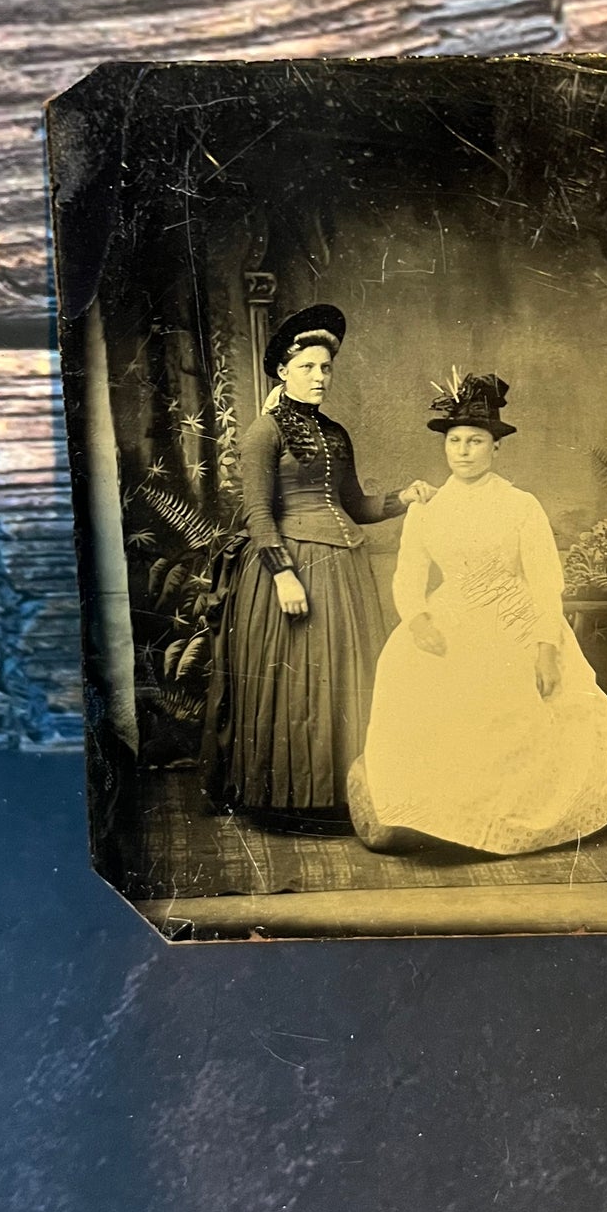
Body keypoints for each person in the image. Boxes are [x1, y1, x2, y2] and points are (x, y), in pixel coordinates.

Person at [348, 372, 607, 855]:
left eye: (476, 441)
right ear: (445, 447)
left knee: (540, 707)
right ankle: (436, 816)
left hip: (516, 623)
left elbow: (546, 583)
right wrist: (418, 620)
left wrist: (547, 649)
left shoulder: (520, 507)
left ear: (495, 448)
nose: (464, 451)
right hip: (449, 617)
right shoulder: (427, 508)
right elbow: (409, 577)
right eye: (456, 441)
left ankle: (502, 823)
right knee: (405, 670)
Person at [201, 305, 434, 825]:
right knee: (300, 688)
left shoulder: (335, 434)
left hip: (345, 574)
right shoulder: (265, 431)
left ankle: (342, 797)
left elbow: (356, 506)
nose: (319, 377)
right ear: (283, 371)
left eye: (326, 368)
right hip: (290, 572)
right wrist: (283, 573)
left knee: (347, 682)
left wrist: (404, 497)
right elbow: (260, 513)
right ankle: (288, 803)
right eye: (308, 367)